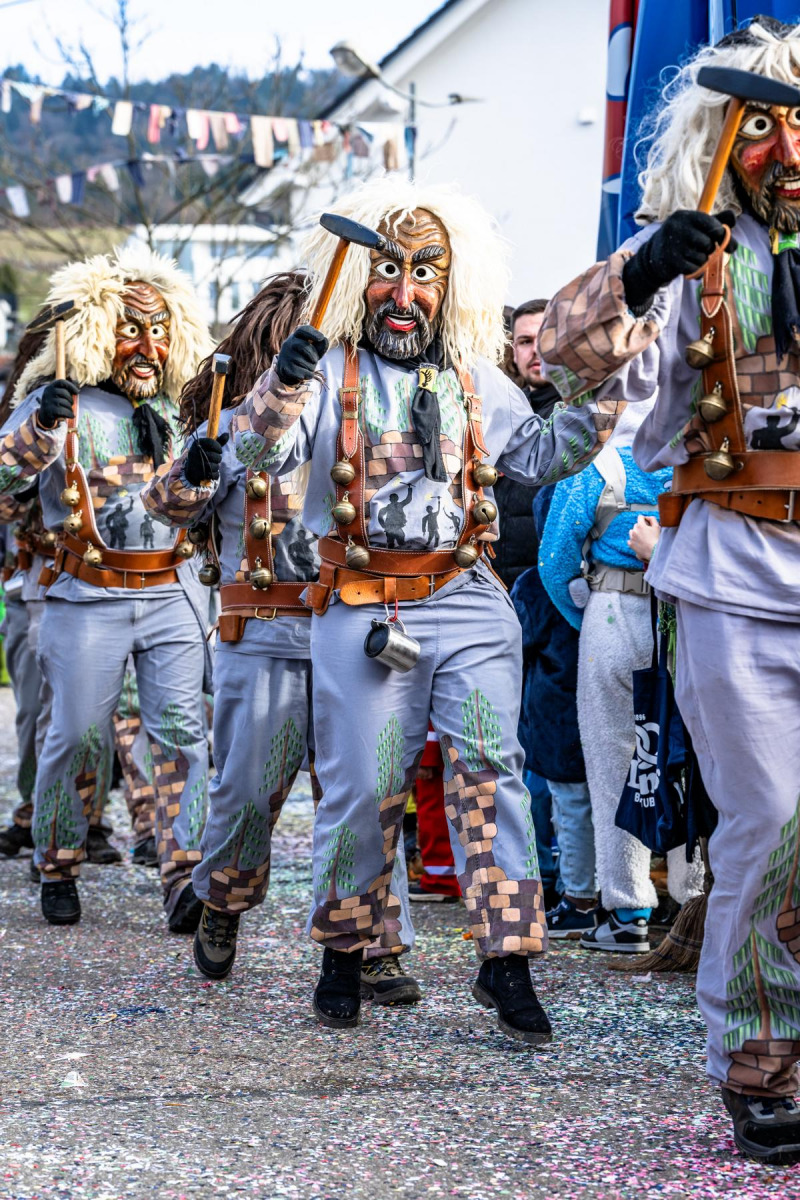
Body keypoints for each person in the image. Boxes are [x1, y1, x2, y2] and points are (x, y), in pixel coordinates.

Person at [199, 178, 623, 1039]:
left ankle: (507, 961)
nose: (405, 292)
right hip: (361, 605)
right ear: (360, 280)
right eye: (388, 270)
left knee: (492, 774)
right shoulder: (326, 375)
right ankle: (344, 952)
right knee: (364, 786)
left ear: (450, 284)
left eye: (425, 273)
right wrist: (282, 384)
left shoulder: (475, 378)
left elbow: (543, 454)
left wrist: (605, 382)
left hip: (467, 598)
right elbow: (252, 455)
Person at [540, 15, 800, 1161]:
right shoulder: (688, 258)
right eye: (761, 128)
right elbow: (561, 364)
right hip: (738, 577)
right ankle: (756, 1060)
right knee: (770, 824)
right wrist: (636, 272)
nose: (787, 152)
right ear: (719, 137)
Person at [141, 271, 421, 1007]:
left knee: (368, 790)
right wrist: (193, 471)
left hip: (352, 624)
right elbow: (167, 503)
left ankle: (375, 940)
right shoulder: (235, 422)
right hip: (265, 629)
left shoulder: (365, 421)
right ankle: (223, 899)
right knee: (244, 790)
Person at [0, 246, 213, 931]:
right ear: (96, 332)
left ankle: (186, 877)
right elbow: (3, 480)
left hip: (171, 593)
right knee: (76, 736)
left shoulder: (186, 408)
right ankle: (57, 861)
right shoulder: (56, 401)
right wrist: (40, 428)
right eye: (130, 330)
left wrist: (207, 471)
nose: (147, 346)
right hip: (84, 595)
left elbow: (210, 499)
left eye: (159, 331)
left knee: (183, 736)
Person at [538, 404, 703, 951]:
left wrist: (585, 615)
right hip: (691, 615)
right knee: (690, 757)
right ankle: (695, 901)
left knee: (616, 763)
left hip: (614, 610)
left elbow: (555, 559)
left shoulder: (597, 462)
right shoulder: (697, 457)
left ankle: (628, 911)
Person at [511, 485, 594, 938]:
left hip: (551, 712)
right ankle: (614, 897)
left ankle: (576, 897)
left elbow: (519, 645)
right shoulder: (607, 576)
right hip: (598, 700)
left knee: (564, 801)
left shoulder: (535, 584)